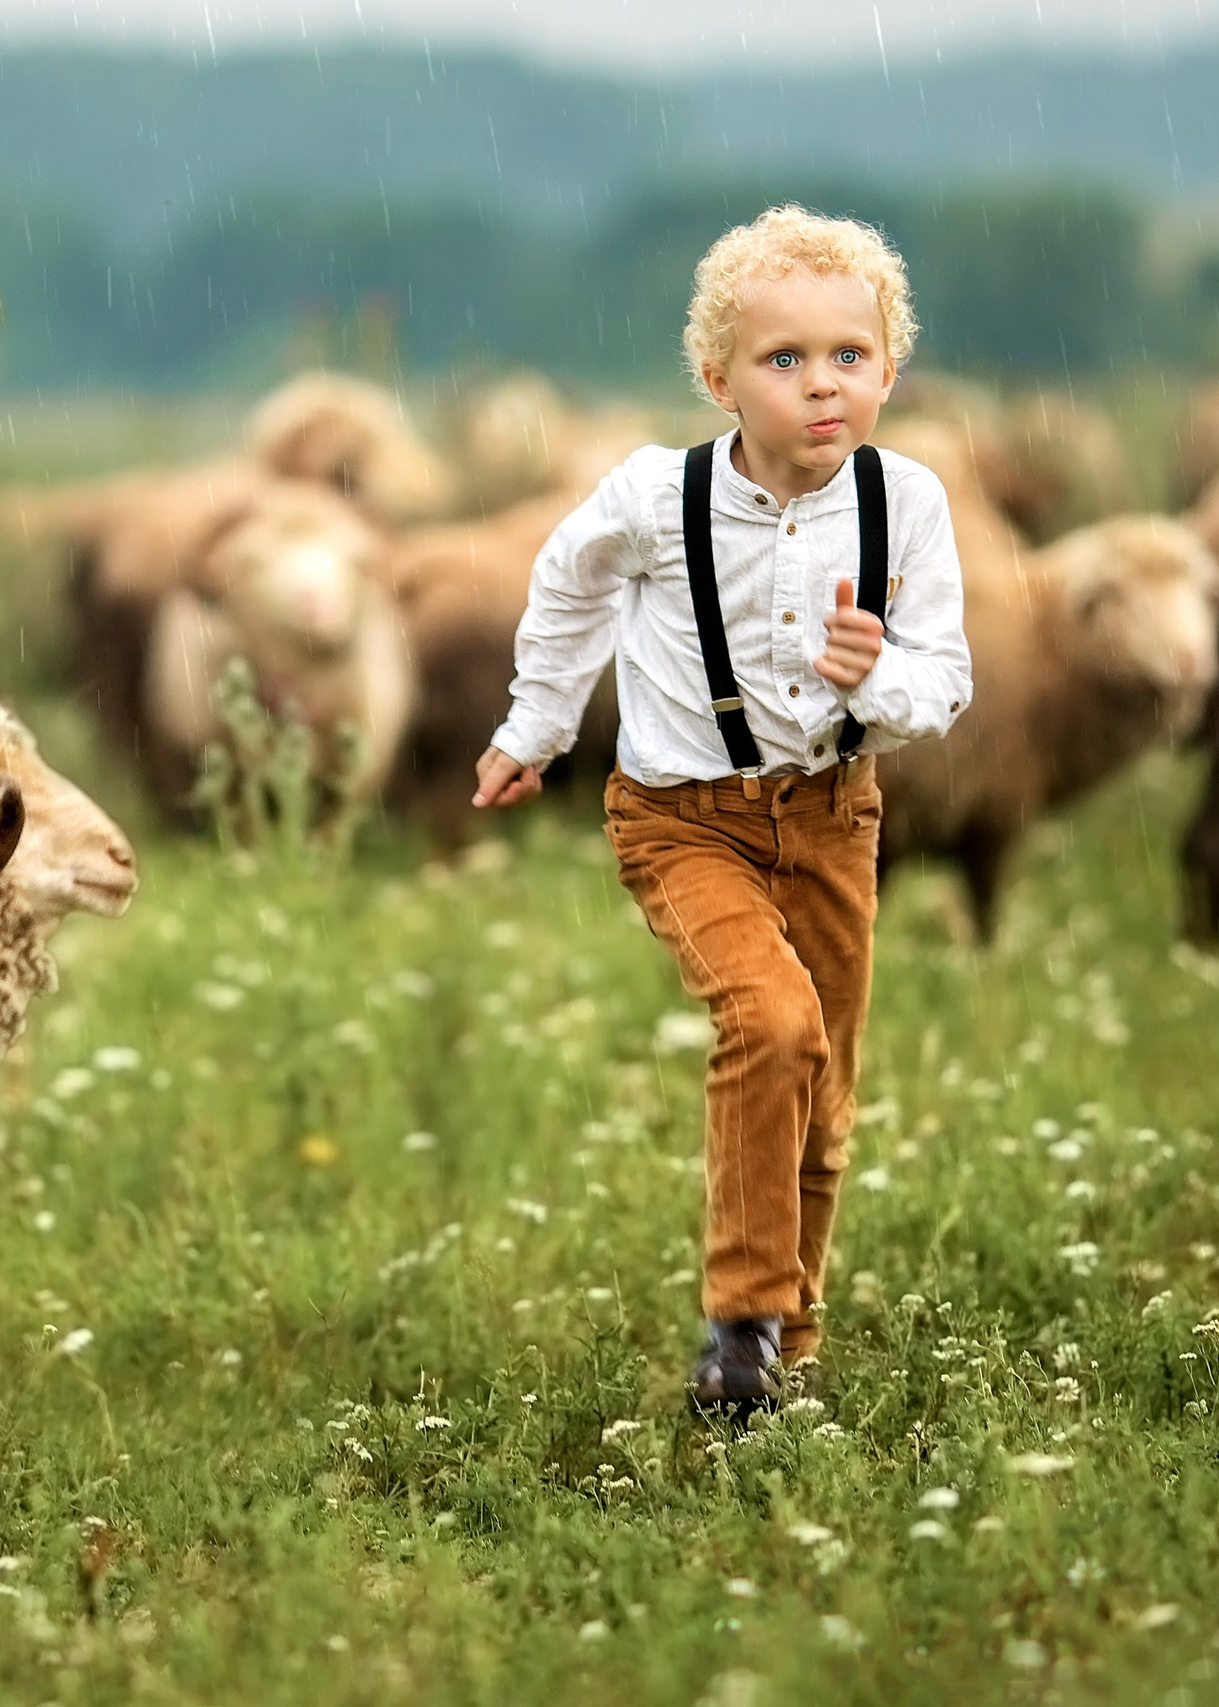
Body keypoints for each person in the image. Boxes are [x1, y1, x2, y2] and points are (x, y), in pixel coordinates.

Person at [473, 206, 971, 1412]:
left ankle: (784, 1359)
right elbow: (565, 586)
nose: (820, 387)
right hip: (682, 816)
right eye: (782, 360)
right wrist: (532, 729)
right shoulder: (655, 498)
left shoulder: (906, 505)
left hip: (834, 817)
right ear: (718, 378)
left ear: (888, 371)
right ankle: (740, 1324)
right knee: (771, 1024)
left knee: (824, 1097)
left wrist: (876, 677)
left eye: (848, 358)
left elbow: (942, 686)